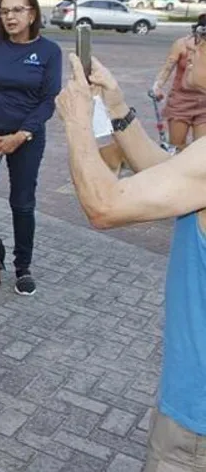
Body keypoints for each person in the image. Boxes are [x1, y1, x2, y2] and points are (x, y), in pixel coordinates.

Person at [55, 52, 206, 472]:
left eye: (202, 34)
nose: (191, 47)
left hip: (197, 421)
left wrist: (77, 121)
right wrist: (116, 106)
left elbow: (104, 205)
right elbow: (171, 175)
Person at [0, 0, 62, 296]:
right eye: (4, 11)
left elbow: (48, 100)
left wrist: (21, 135)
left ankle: (23, 267)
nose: (10, 16)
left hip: (27, 137)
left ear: (32, 13)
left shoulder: (49, 51)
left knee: (22, 203)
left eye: (17, 10)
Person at [151, 13, 206, 151]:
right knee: (177, 147)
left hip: (204, 103)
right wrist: (157, 86)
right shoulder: (182, 45)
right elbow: (168, 68)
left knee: (200, 150)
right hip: (181, 102)